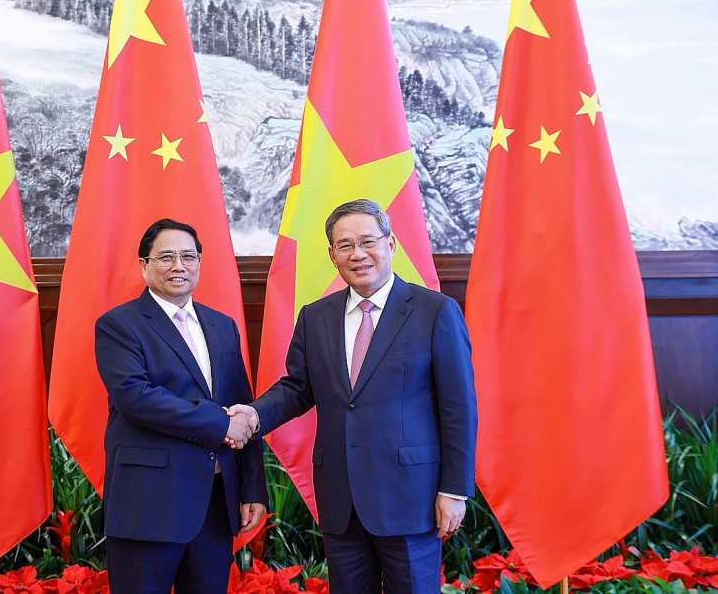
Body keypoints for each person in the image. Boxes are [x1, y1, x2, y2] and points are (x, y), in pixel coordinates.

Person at [230, 199, 477, 593]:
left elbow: (458, 409)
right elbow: (297, 388)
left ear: (391, 244)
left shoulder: (435, 312)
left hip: (411, 499)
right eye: (344, 245)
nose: (357, 254)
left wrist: (453, 490)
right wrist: (253, 416)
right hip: (341, 500)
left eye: (367, 241)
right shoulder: (315, 316)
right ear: (332, 255)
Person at [95, 219, 266, 594]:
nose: (179, 266)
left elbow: (242, 405)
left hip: (214, 504)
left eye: (188, 256)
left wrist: (252, 487)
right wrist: (219, 424)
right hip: (149, 504)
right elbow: (135, 397)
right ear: (144, 265)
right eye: (166, 257)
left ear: (200, 264)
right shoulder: (119, 325)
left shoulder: (223, 326)